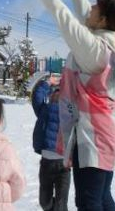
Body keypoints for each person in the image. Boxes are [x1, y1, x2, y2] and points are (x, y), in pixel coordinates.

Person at [24, 0, 115, 210]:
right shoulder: (105, 40)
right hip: (103, 133)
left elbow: (62, 15)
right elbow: (86, 14)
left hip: (94, 138)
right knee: (101, 197)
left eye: (97, 7)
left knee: (88, 202)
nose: (91, 9)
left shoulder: (95, 48)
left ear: (104, 19)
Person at [32, 75, 70, 211]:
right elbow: (37, 97)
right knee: (45, 202)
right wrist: (47, 83)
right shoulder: (44, 110)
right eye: (55, 92)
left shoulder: (69, 113)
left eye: (61, 92)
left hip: (63, 166)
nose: (57, 95)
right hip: (46, 164)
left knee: (61, 205)